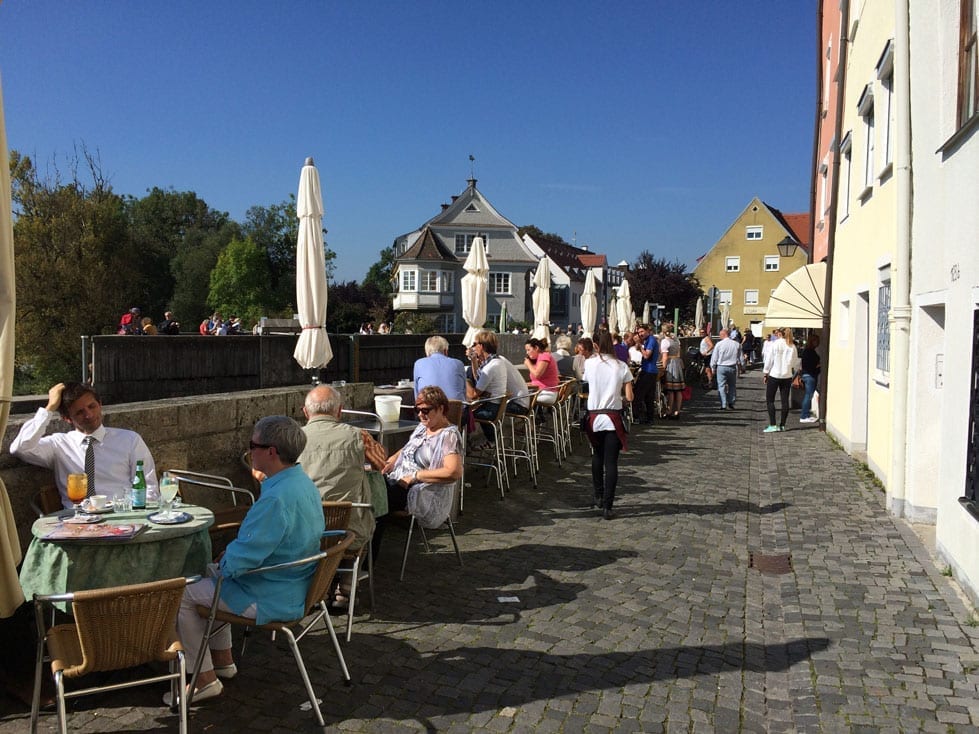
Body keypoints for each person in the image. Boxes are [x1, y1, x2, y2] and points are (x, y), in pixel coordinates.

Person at [171, 416, 324, 703]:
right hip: (295, 582)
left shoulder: (275, 499)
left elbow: (241, 561)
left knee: (183, 595)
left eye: (253, 445)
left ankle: (203, 680)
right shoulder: (302, 482)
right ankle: (223, 661)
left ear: (271, 452)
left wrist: (226, 561)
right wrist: (226, 562)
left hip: (272, 594)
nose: (249, 450)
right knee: (212, 573)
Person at [298, 385, 386, 609]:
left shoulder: (293, 439)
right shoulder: (359, 436)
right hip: (348, 531)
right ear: (339, 411)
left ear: (306, 412)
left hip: (304, 531)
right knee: (370, 516)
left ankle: (317, 584)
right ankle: (346, 584)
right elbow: (381, 464)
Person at [10, 382, 158, 508]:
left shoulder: (129, 440)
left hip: (122, 515)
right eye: (80, 412)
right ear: (67, 418)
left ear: (100, 405)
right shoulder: (58, 445)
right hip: (77, 520)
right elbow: (21, 448)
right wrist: (49, 408)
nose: (89, 415)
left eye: (92, 406)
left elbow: (149, 488)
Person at [372, 386, 462, 557]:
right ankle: (363, 555)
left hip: (420, 491)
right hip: (397, 480)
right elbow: (408, 448)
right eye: (417, 410)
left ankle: (367, 560)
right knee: (368, 486)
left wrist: (415, 476)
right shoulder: (423, 426)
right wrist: (391, 461)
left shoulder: (448, 436)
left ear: (440, 409)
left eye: (425, 410)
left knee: (377, 504)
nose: (420, 415)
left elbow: (454, 472)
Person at [582, 332, 634, 520]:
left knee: (597, 456)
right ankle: (608, 505)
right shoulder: (621, 366)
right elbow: (630, 397)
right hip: (612, 417)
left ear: (596, 345)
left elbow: (586, 382)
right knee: (611, 463)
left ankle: (598, 494)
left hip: (594, 417)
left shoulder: (590, 364)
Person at [466, 330, 530, 442]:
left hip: (500, 407)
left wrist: (462, 378)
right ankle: (491, 441)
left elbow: (474, 394)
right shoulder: (496, 361)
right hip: (501, 404)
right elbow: (480, 380)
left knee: (465, 414)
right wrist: (474, 360)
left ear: (481, 346)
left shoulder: (491, 366)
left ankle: (477, 443)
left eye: (474, 344)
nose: (472, 347)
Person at [763, 327, 802, 432]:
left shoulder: (775, 344)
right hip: (787, 376)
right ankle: (782, 425)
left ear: (780, 334)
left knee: (770, 400)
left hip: (774, 375)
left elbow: (769, 359)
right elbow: (795, 362)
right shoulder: (792, 346)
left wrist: (766, 372)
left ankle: (773, 424)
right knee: (785, 401)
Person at [414, 335, 466, 402]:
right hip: (455, 407)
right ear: (445, 351)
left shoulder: (419, 363)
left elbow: (417, 395)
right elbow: (463, 391)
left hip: (429, 406)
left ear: (427, 353)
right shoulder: (458, 364)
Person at [709, 329, 742, 410]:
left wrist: (713, 367)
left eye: (720, 335)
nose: (719, 336)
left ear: (723, 334)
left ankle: (723, 404)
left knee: (721, 386)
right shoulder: (736, 344)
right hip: (732, 366)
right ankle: (731, 402)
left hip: (721, 366)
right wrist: (740, 367)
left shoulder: (719, 344)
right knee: (732, 386)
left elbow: (714, 357)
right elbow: (739, 357)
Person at [633, 324, 659, 423]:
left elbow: (647, 355)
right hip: (651, 371)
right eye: (639, 332)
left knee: (638, 394)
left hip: (648, 370)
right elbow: (638, 349)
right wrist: (639, 343)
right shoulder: (648, 340)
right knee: (649, 396)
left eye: (642, 331)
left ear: (648, 331)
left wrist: (640, 346)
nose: (640, 334)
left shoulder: (651, 340)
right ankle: (649, 418)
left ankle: (637, 416)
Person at [659, 323, 685, 419]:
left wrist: (663, 368)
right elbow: (679, 352)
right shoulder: (676, 340)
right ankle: (677, 411)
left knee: (670, 390)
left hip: (670, 364)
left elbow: (665, 357)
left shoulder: (665, 341)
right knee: (678, 390)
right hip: (677, 362)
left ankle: (669, 411)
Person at [524, 338, 560, 406]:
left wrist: (528, 364)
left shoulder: (544, 356)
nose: (527, 353)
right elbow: (539, 381)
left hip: (546, 393)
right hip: (542, 392)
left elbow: (537, 375)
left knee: (518, 398)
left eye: (528, 350)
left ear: (536, 348)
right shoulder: (541, 357)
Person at [800, 333, 821, 423]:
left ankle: (806, 414)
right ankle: (804, 416)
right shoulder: (810, 352)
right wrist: (819, 367)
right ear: (813, 341)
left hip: (807, 375)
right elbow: (810, 366)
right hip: (810, 375)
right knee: (808, 396)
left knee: (808, 395)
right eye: (817, 341)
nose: (818, 343)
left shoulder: (807, 351)